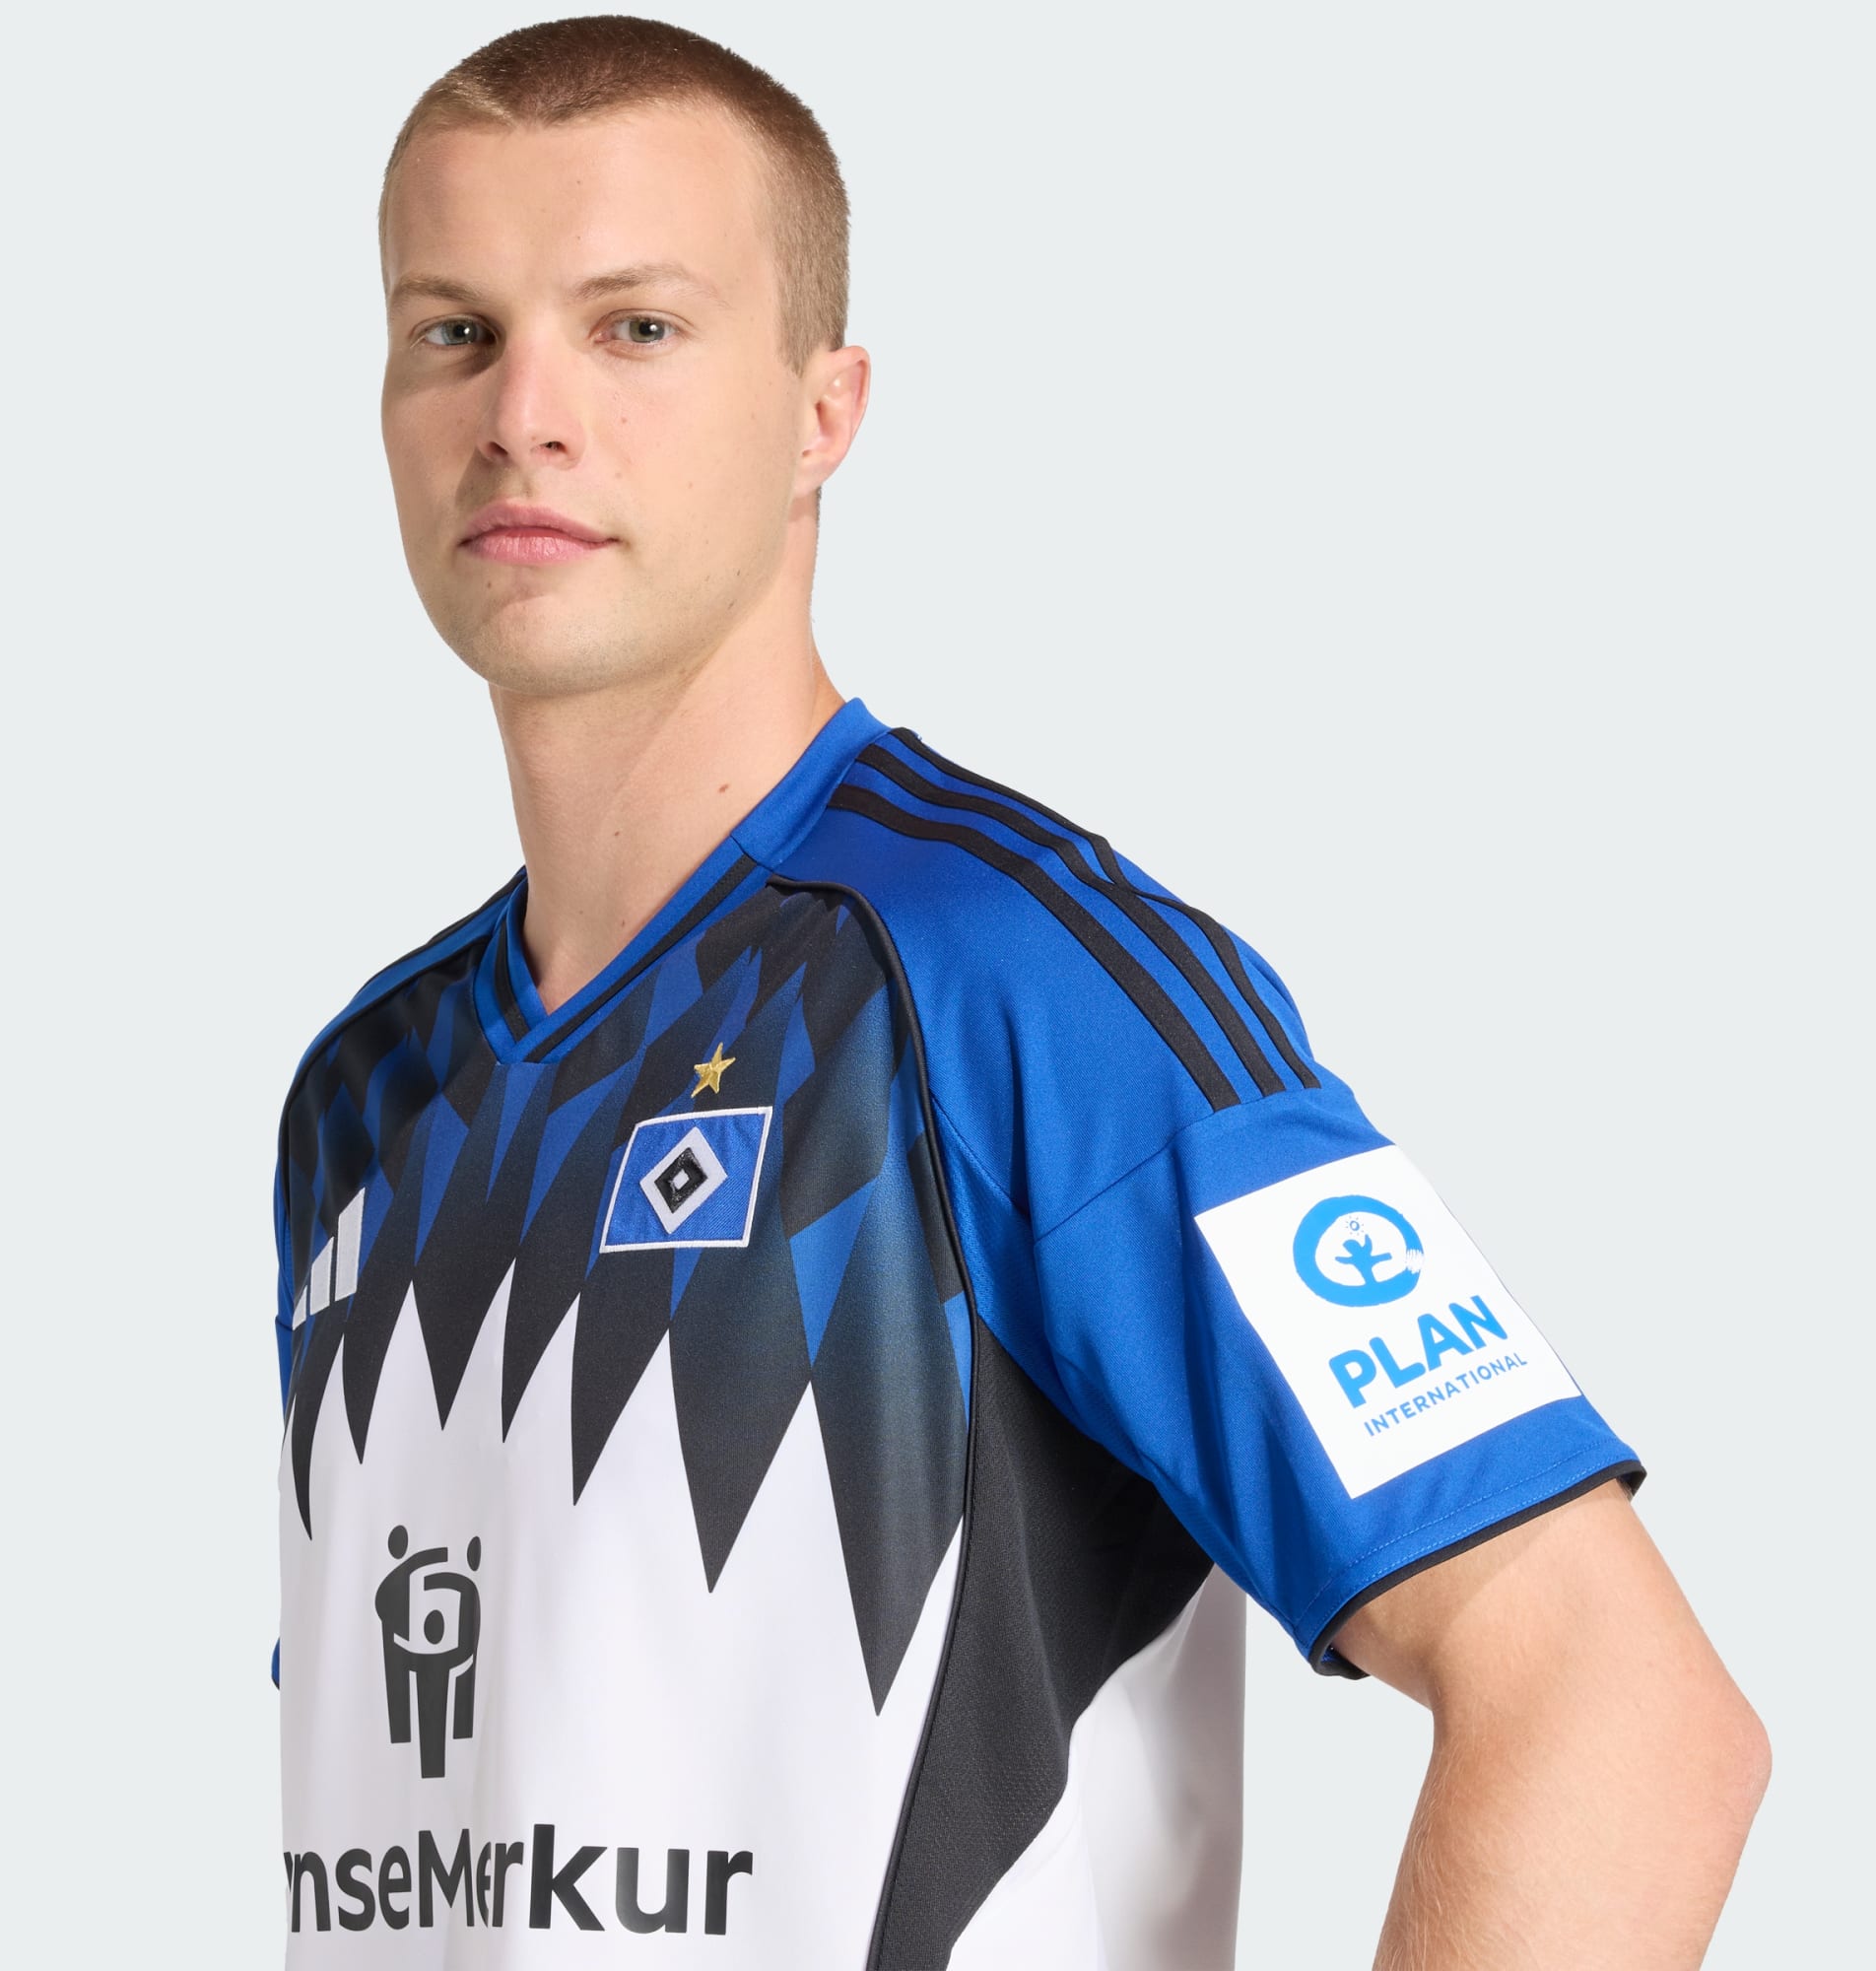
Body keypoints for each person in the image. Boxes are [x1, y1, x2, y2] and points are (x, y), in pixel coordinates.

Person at [269, 16, 1768, 1966]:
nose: (524, 412)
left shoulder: (1015, 982)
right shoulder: (364, 1096)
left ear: (824, 410)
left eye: (637, 326)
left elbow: (1617, 1714)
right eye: (454, 331)